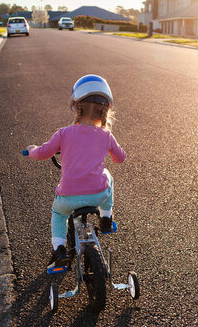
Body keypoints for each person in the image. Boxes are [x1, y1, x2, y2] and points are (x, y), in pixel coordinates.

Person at [26, 74, 126, 268]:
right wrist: (112, 152)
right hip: (97, 195)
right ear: (105, 110)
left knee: (58, 214)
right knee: (108, 177)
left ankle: (59, 249)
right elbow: (120, 158)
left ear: (76, 107)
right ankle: (106, 217)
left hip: (68, 199)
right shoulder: (106, 135)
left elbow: (42, 153)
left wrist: (31, 150)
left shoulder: (64, 134)